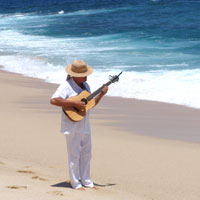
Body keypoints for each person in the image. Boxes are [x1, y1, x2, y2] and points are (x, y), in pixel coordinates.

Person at [50, 60, 108, 190]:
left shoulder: (86, 86)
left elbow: (90, 104)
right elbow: (53, 100)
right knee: (74, 154)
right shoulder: (66, 86)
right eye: (83, 74)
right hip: (71, 125)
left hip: (85, 124)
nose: (86, 76)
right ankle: (75, 182)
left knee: (87, 153)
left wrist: (102, 94)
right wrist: (74, 104)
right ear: (75, 75)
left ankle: (86, 180)